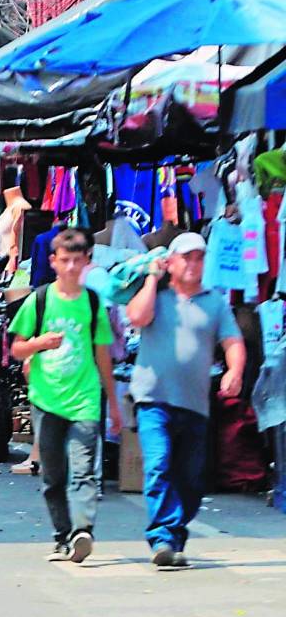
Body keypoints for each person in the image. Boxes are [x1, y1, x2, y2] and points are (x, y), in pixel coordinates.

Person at [125, 232, 246, 569]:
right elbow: (137, 318)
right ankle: (162, 537)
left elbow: (233, 340)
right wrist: (152, 277)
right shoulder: (157, 296)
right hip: (153, 400)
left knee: (191, 479)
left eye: (199, 258)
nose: (193, 264)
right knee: (159, 464)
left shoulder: (214, 302)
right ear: (172, 261)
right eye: (186, 257)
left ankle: (174, 535)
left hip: (194, 405)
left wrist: (234, 371)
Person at [10, 228, 121, 564]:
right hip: (46, 400)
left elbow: (103, 354)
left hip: (86, 399)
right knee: (53, 475)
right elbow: (16, 348)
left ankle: (82, 530)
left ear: (87, 261)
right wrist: (39, 344)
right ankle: (62, 537)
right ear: (53, 262)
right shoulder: (39, 300)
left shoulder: (92, 303)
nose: (72, 267)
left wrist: (114, 402)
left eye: (78, 260)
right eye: (65, 260)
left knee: (84, 469)